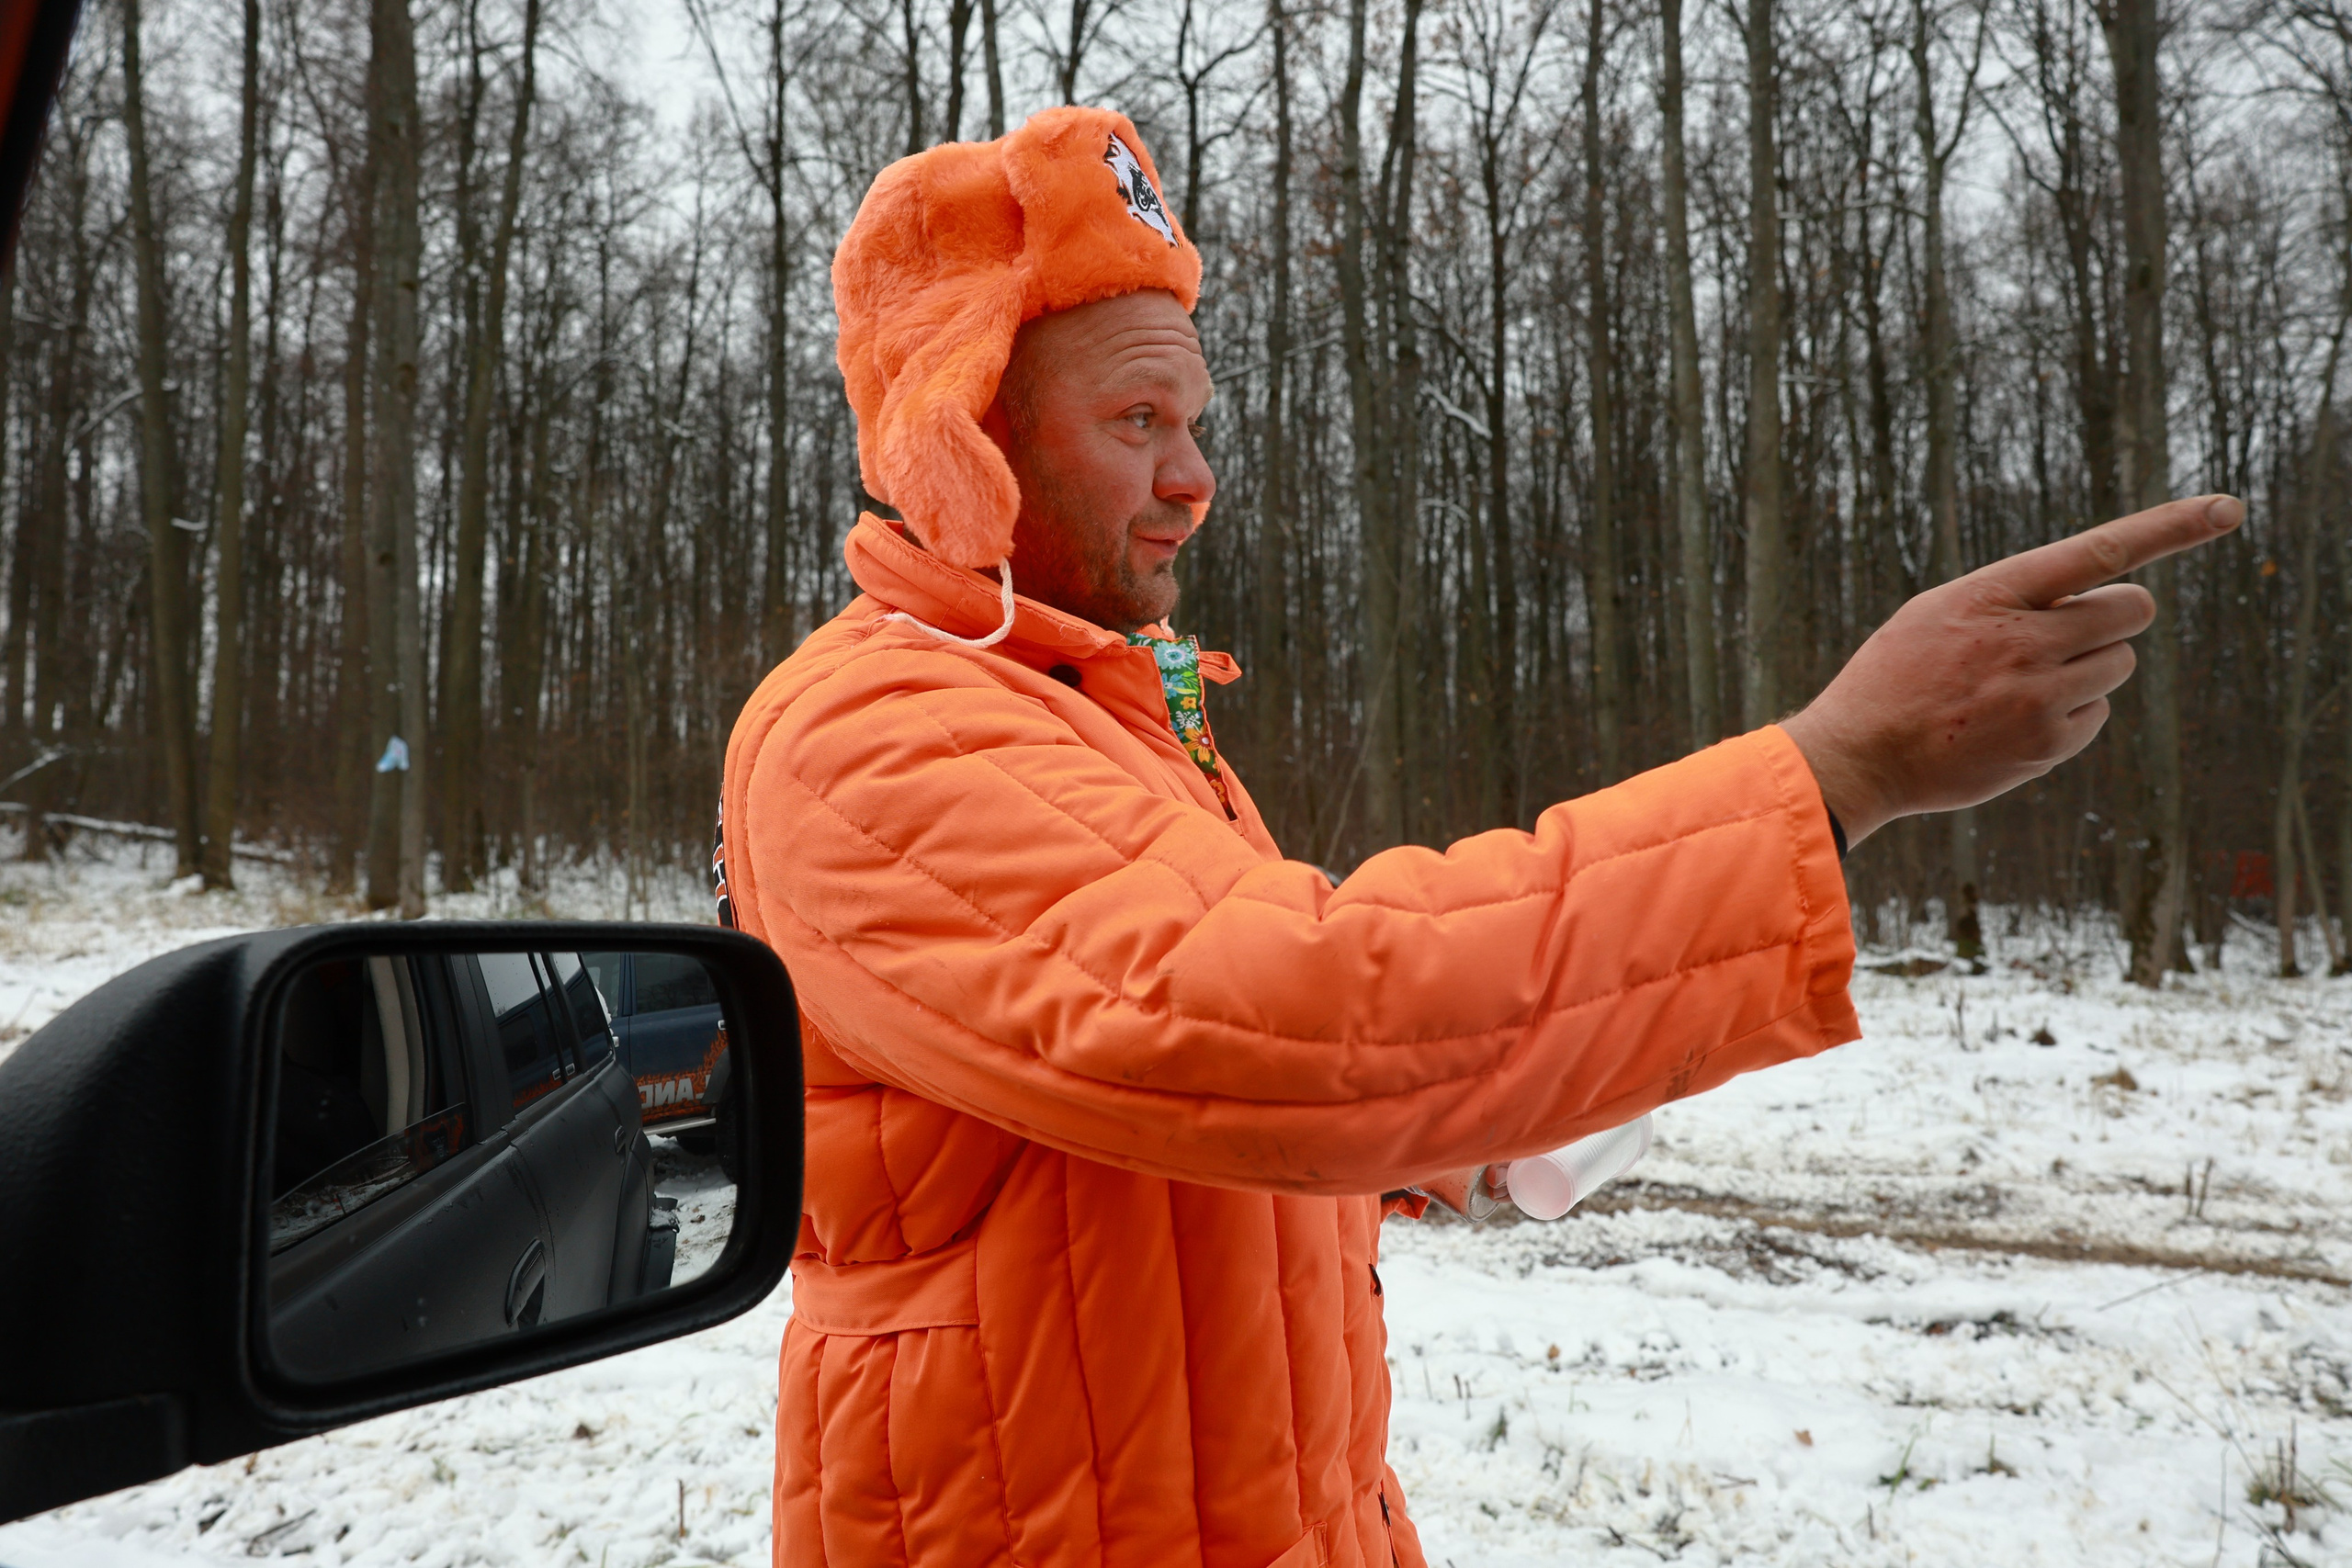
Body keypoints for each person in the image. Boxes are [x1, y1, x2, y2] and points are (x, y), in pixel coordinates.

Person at [718, 106, 2239, 1568]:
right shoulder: (872, 736)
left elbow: (1151, 1133)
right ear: (967, 438)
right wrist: (1835, 773)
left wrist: (1450, 1142)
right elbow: (1276, 1022)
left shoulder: (1100, 718)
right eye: (1136, 421)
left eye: (1193, 420)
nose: (1197, 479)